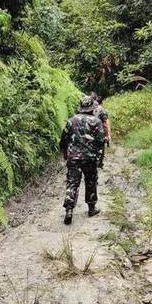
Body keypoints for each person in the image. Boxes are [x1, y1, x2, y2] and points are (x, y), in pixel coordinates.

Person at [59, 95, 106, 226]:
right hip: (90, 158)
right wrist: (100, 158)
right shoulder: (96, 122)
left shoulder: (71, 121)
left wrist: (65, 154)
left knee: (72, 183)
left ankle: (69, 210)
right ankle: (91, 209)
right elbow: (101, 141)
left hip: (74, 158)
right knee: (91, 182)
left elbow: (63, 140)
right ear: (92, 108)